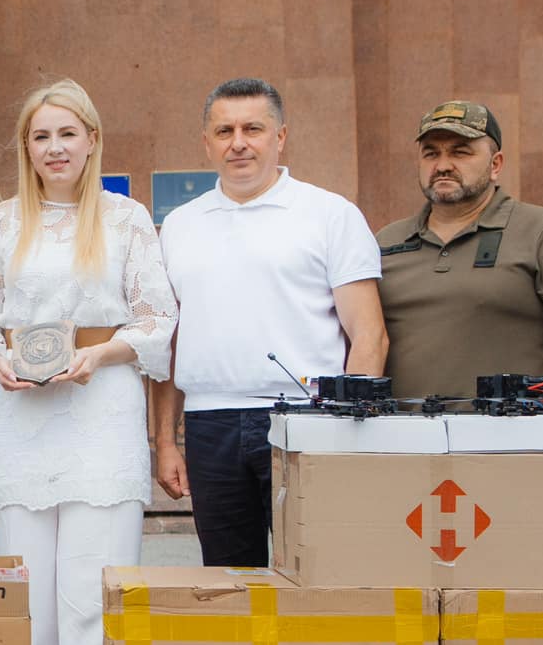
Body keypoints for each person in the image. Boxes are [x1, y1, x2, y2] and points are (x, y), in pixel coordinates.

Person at [0, 80, 176, 645]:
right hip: (23, 419)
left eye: (67, 135)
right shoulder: (4, 222)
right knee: (30, 603)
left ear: (92, 141)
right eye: (41, 136)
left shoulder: (126, 219)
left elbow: (158, 318)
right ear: (27, 147)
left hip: (98, 415)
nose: (55, 148)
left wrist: (102, 354)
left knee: (91, 597)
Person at [153, 77, 387, 566]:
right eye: (224, 131)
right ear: (207, 142)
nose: (238, 142)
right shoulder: (179, 226)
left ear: (280, 137)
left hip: (304, 420)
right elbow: (168, 345)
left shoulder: (329, 215)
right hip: (207, 424)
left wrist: (345, 431)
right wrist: (165, 443)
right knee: (229, 578)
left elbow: (369, 336)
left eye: (253, 128)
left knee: (316, 570)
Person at [377, 101, 543, 423]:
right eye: (431, 153)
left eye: (461, 152)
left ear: (496, 164)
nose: (443, 165)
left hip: (514, 444)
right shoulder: (386, 241)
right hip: (403, 443)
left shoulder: (541, 231)